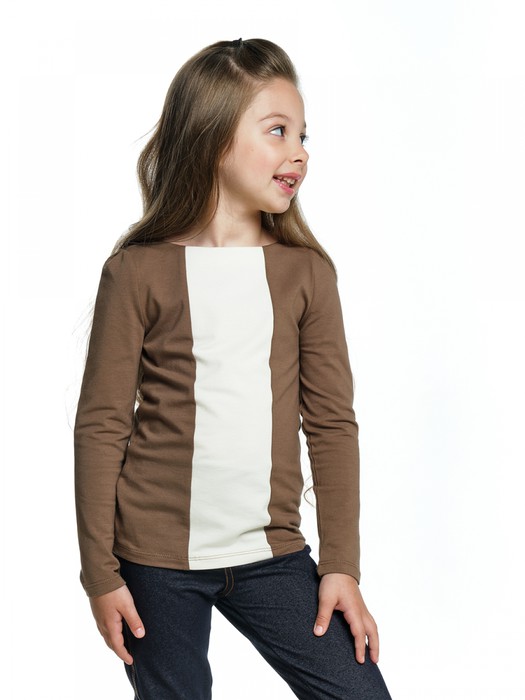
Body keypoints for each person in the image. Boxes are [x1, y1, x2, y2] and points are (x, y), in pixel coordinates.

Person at [74, 37, 393, 700]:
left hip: (272, 557)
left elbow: (331, 424)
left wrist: (340, 565)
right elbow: (102, 426)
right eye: (277, 131)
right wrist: (100, 573)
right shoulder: (137, 271)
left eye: (302, 135)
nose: (298, 152)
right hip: (154, 562)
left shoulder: (306, 274)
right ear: (214, 137)